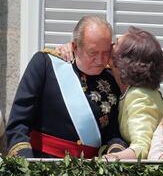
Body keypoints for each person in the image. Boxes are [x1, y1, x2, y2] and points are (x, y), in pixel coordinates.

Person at [6, 15, 127, 158]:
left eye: (106, 52)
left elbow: (115, 133)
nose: (100, 60)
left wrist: (114, 158)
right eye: (93, 53)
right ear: (75, 47)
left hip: (90, 173)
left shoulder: (112, 78)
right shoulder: (46, 65)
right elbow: (18, 124)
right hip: (41, 164)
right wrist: (26, 164)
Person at [103, 26, 163, 159]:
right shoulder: (134, 90)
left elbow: (142, 148)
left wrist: (107, 160)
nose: (110, 45)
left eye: (116, 43)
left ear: (124, 60)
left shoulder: (140, 95)